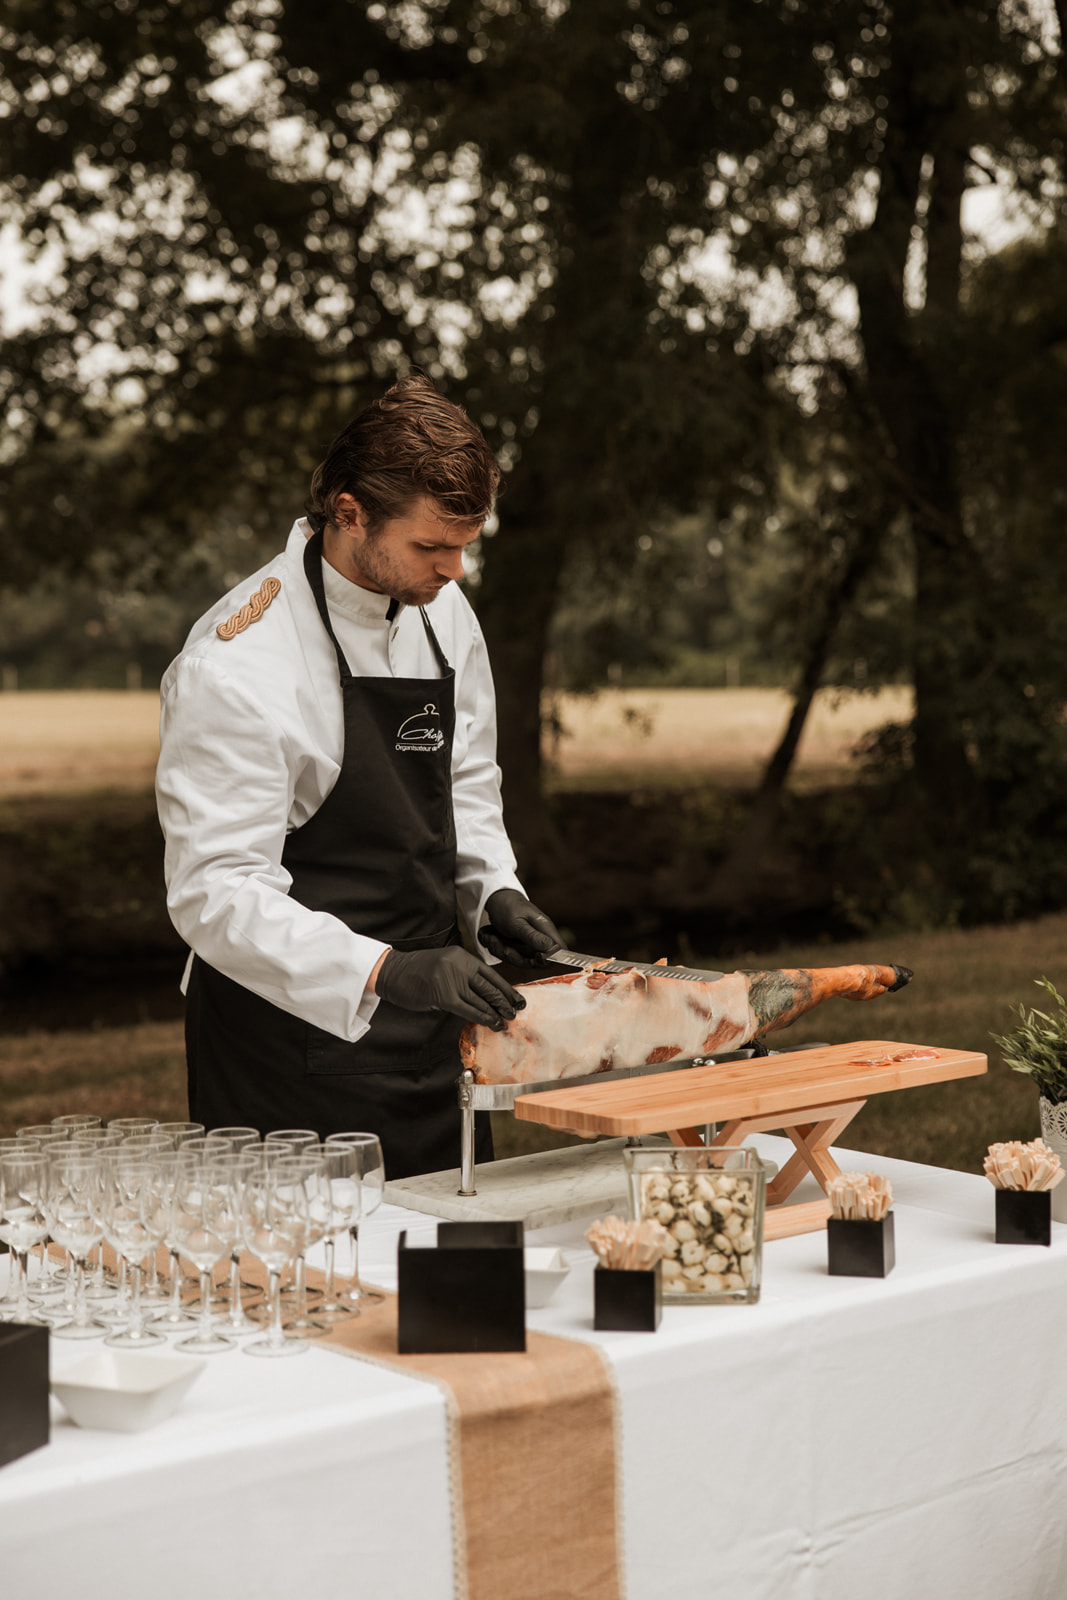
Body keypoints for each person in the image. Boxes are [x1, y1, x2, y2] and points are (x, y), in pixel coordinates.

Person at [155, 374, 561, 1179]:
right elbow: (216, 893)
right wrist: (385, 970)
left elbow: (467, 775)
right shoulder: (237, 665)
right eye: (430, 546)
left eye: (463, 546)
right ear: (349, 514)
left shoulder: (441, 606)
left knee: (451, 1274)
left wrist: (492, 892)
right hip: (285, 1049)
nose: (453, 570)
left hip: (436, 1023)